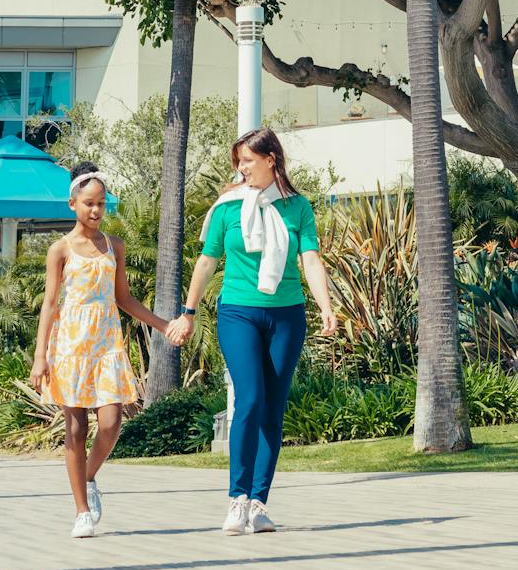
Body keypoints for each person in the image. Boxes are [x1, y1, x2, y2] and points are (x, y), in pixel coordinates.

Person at [166, 125, 337, 535]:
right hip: (239, 311)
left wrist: (327, 307)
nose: (241, 168)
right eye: (238, 161)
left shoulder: (297, 207)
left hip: (287, 315)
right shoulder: (227, 207)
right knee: (251, 397)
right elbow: (207, 263)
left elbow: (309, 260)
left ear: (270, 159)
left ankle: (259, 503)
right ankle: (237, 499)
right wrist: (188, 312)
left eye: (247, 160)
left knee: (273, 409)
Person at [31, 162, 171, 540]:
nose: (96, 211)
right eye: (89, 203)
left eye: (102, 204)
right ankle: (81, 510)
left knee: (111, 423)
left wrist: (161, 325)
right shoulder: (59, 249)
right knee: (75, 428)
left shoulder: (115, 246)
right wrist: (40, 355)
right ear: (73, 203)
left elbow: (123, 298)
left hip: (107, 344)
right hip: (71, 347)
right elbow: (50, 304)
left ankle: (88, 477)